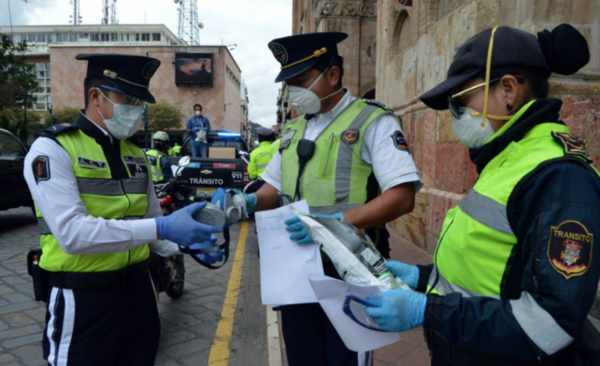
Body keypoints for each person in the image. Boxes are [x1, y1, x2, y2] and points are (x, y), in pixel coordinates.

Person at [363, 24, 600, 366]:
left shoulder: (558, 177)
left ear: (508, 90)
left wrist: (428, 311)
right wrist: (422, 278)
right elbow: (495, 273)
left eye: (460, 101)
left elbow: (551, 324)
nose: (456, 114)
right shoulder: (508, 158)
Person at [24, 54, 223, 365]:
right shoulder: (53, 148)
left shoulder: (136, 154)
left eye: (140, 101)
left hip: (140, 294)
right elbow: (72, 234)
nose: (137, 110)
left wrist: (188, 244)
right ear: (95, 96)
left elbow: (152, 223)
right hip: (83, 298)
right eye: (128, 98)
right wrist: (163, 229)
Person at [236, 32, 422, 366]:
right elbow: (272, 189)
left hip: (350, 268)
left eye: (302, 80)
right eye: (290, 83)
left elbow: (401, 196)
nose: (294, 91)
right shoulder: (291, 131)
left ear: (333, 75)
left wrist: (333, 225)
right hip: (297, 268)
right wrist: (244, 202)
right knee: (303, 356)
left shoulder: (373, 121)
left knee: (346, 358)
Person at [245, 128, 275, 194]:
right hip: (276, 183)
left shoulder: (254, 153)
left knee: (246, 191)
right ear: (271, 138)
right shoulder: (277, 150)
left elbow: (252, 175)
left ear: (259, 139)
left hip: (261, 182)